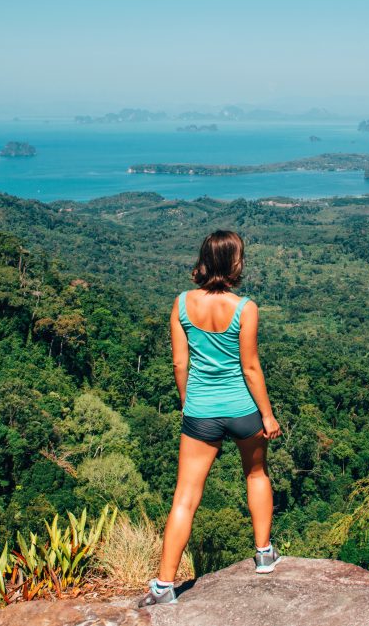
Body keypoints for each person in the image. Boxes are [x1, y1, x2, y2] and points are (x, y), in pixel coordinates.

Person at [139, 230, 283, 607]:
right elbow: (250, 367)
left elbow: (179, 362)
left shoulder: (183, 304)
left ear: (205, 260)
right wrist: (267, 415)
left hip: (201, 412)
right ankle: (264, 554)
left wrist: (189, 403)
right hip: (242, 410)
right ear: (233, 263)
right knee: (256, 474)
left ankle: (163, 586)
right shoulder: (245, 307)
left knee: (185, 497)